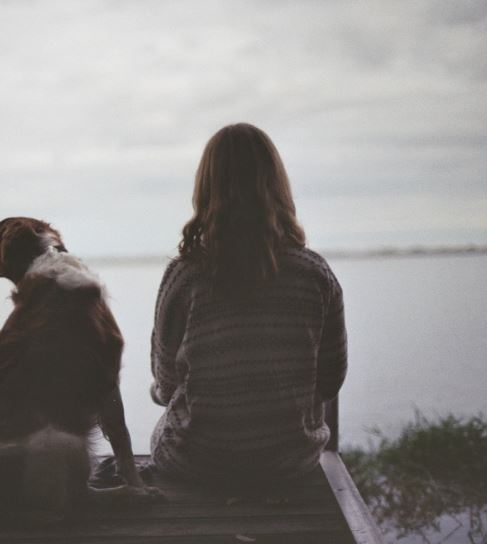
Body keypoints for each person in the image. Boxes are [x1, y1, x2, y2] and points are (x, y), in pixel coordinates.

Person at [149, 123, 347, 484]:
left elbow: (164, 384)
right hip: (289, 461)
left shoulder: (185, 275)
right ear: (278, 186)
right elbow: (331, 380)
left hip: (196, 462)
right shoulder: (315, 273)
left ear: (205, 188)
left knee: (164, 424)